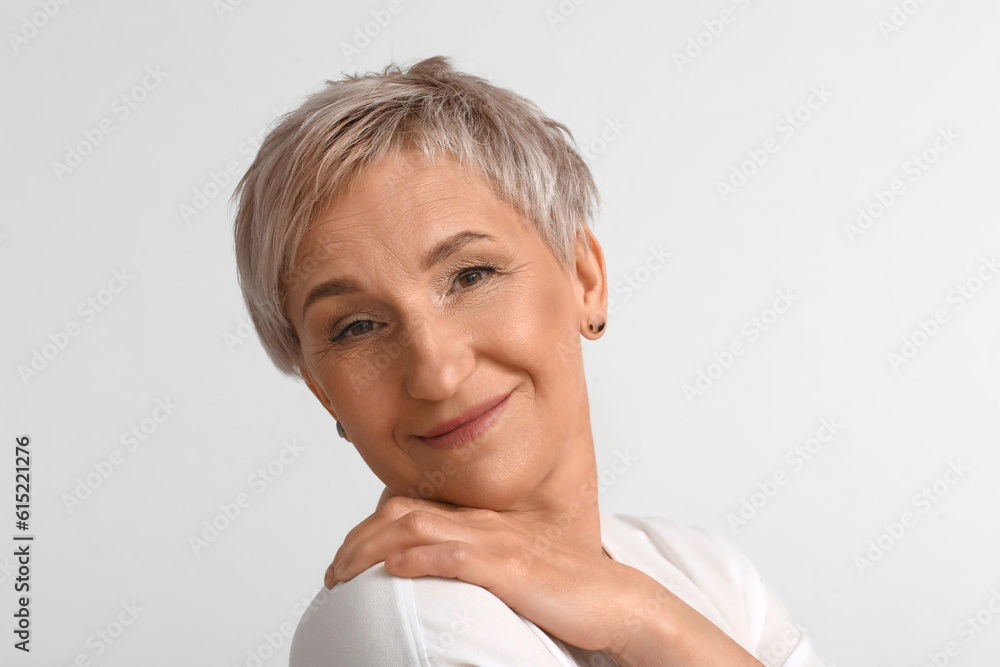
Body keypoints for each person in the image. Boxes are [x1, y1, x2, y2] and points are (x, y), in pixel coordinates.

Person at [231, 55, 829, 666]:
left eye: (470, 275)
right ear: (323, 393)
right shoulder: (402, 623)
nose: (437, 373)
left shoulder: (703, 570)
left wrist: (641, 614)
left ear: (584, 278)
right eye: (357, 327)